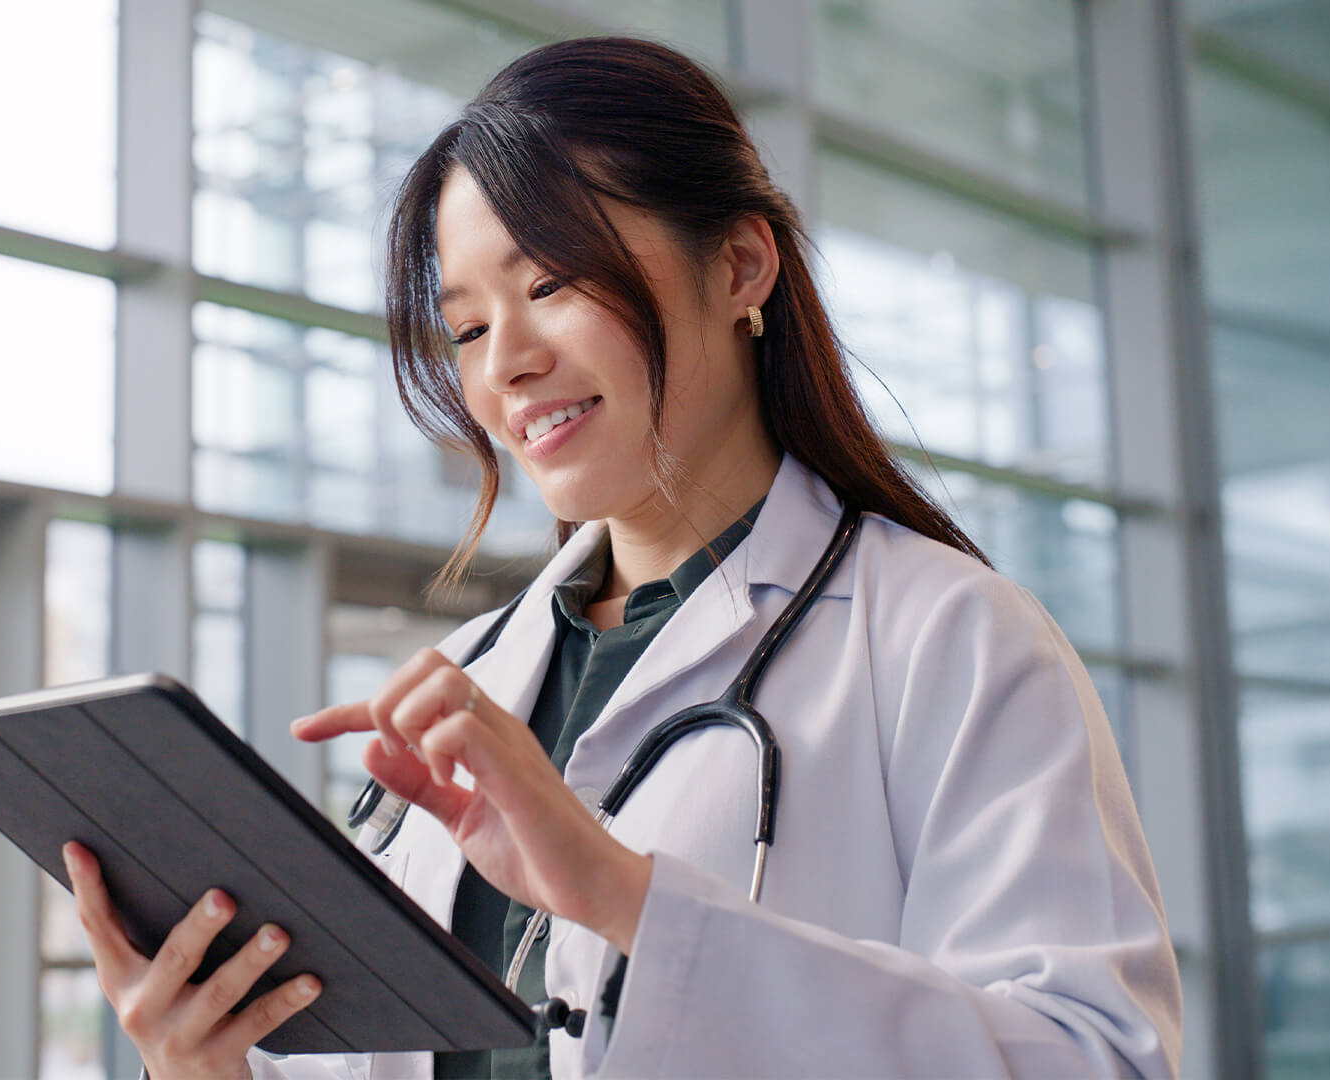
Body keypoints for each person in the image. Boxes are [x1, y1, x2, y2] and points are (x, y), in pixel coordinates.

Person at [62, 35, 1183, 1080]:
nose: (505, 364)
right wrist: (204, 1064)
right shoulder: (469, 681)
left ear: (743, 266)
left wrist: (626, 898)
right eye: (464, 327)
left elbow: (1096, 1056)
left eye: (550, 283)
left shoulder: (948, 639)